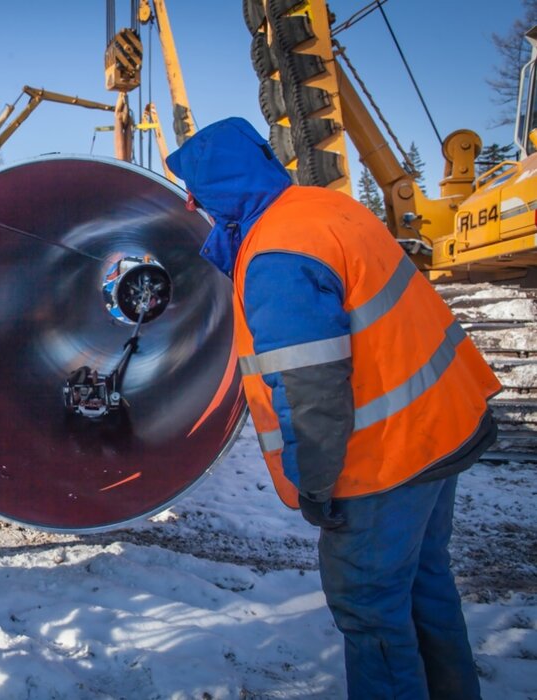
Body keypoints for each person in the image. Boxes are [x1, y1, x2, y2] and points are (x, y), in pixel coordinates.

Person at [165, 117, 501, 700]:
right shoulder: (323, 208)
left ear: (214, 191)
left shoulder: (276, 258)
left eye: (196, 192)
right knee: (426, 589)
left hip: (383, 464)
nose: (192, 204)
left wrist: (314, 484)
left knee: (371, 614)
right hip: (441, 429)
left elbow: (310, 388)